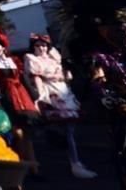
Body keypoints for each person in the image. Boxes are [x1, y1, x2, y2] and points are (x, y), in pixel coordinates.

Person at [24, 33, 97, 179]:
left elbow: (66, 76)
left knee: (69, 131)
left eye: (43, 45)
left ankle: (73, 163)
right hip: (51, 94)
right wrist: (40, 97)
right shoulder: (32, 59)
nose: (41, 48)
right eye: (37, 46)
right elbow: (36, 78)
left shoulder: (54, 58)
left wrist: (66, 75)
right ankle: (73, 163)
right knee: (63, 131)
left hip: (64, 92)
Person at [0, 30, 39, 170]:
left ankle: (33, 167)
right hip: (8, 98)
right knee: (17, 134)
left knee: (27, 135)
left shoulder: (13, 61)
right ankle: (20, 166)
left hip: (22, 97)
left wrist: (34, 96)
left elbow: (23, 79)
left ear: (3, 46)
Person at [90, 6, 126, 187]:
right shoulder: (102, 58)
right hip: (124, 114)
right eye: (121, 30)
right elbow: (98, 84)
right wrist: (116, 102)